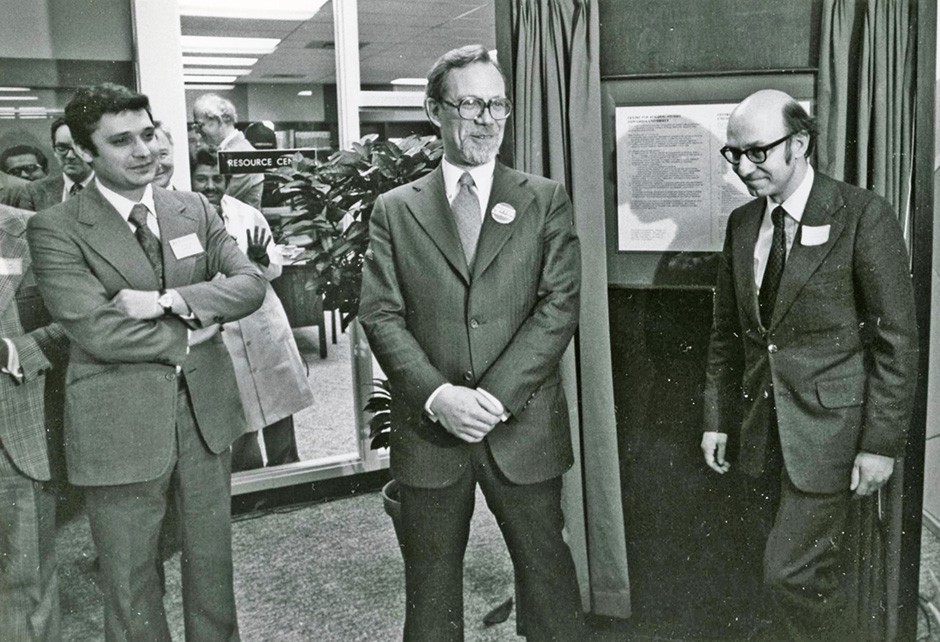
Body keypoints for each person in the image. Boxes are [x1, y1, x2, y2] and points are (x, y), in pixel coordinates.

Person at [359, 45, 584, 640]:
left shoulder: (543, 198)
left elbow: (559, 307)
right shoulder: (394, 210)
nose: (487, 118)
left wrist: (495, 398)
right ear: (435, 111)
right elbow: (380, 315)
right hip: (431, 434)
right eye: (470, 104)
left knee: (549, 584)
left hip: (522, 428)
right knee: (430, 598)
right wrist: (439, 397)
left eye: (498, 104)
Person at [26, 83, 266, 641]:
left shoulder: (193, 207)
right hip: (118, 422)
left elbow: (250, 284)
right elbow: (96, 329)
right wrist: (188, 338)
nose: (144, 151)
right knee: (130, 577)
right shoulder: (57, 228)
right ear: (85, 152)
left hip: (205, 415)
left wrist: (169, 302)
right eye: (121, 141)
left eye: (148, 134)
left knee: (212, 567)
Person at [700, 89, 919, 639]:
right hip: (759, 432)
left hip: (832, 437)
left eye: (756, 153)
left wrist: (880, 444)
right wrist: (716, 419)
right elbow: (728, 335)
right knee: (788, 577)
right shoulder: (743, 223)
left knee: (788, 575)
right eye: (733, 154)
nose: (743, 169)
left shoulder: (863, 214)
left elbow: (897, 341)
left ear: (799, 143)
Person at [191, 148, 311, 470]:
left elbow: (274, 269)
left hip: (260, 322)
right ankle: (252, 485)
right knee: (239, 410)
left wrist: (261, 261)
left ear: (227, 180)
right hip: (222, 329)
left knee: (279, 404)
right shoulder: (183, 219)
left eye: (217, 178)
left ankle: (288, 474)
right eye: (202, 178)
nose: (210, 185)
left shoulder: (247, 215)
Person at [0, 204, 68, 641]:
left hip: (13, 439)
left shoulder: (31, 229)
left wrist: (12, 352)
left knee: (26, 587)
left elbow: (82, 319)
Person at [192, 94, 264, 209]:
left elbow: (220, 204)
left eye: (199, 125)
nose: (197, 131)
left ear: (217, 120)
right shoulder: (229, 151)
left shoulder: (242, 154)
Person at [16, 117, 94, 212]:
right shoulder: (34, 192)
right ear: (54, 151)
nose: (70, 156)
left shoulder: (112, 189)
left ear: (93, 149)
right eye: (62, 148)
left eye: (78, 147)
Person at [151, 121, 176, 189]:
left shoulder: (193, 199)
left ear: (172, 150)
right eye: (149, 157)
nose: (158, 165)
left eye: (163, 154)